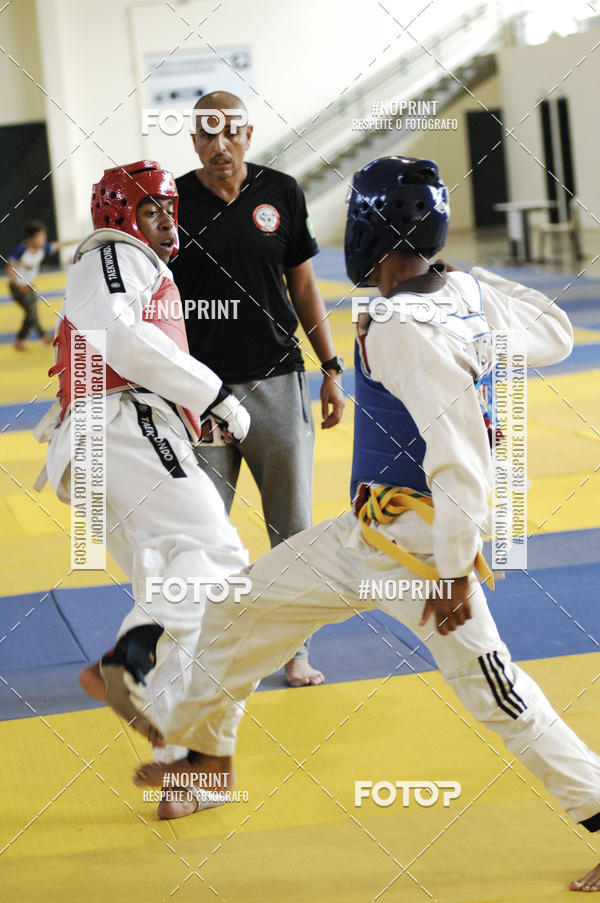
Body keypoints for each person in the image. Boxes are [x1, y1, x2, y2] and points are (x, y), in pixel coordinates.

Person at [132, 157, 600, 891]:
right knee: (237, 605)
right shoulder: (459, 294)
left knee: (495, 692)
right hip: (364, 535)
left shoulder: (399, 326)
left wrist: (453, 566)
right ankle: (209, 761)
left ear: (366, 232)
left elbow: (459, 454)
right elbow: (556, 332)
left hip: (421, 550)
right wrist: (472, 285)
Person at [34, 160, 252, 811]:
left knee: (178, 590)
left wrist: (190, 414)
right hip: (122, 426)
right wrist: (215, 396)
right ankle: (129, 657)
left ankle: (185, 768)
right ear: (119, 215)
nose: (166, 221)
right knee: (219, 560)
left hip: (113, 437)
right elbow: (120, 340)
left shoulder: (136, 266)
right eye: (151, 209)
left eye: (170, 209)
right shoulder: (112, 254)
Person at [171, 90, 346, 687]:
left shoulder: (282, 191)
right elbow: (151, 301)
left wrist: (330, 366)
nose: (219, 145)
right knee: (199, 530)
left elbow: (304, 286)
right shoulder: (171, 203)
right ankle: (200, 650)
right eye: (206, 134)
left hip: (277, 382)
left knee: (292, 530)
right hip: (198, 394)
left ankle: (293, 648)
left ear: (248, 134)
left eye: (230, 133)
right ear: (194, 140)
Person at [7, 220, 77, 350]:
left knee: (31, 313)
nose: (44, 239)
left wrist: (80, 240)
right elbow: (10, 268)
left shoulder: (43, 248)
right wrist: (18, 285)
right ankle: (44, 336)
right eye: (41, 236)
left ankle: (19, 340)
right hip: (17, 286)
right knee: (31, 312)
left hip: (29, 285)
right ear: (31, 238)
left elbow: (60, 244)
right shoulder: (22, 249)